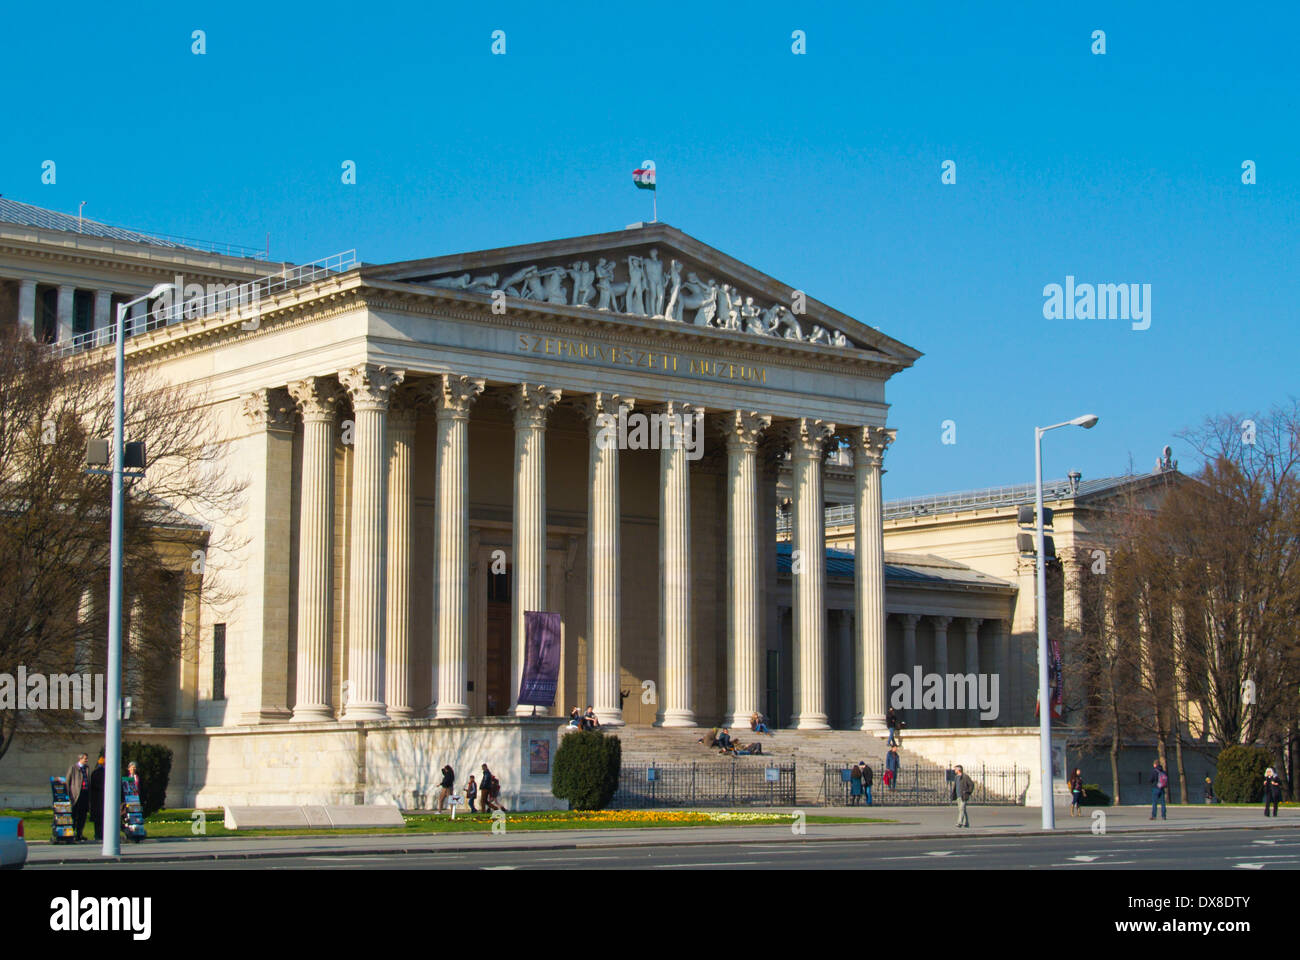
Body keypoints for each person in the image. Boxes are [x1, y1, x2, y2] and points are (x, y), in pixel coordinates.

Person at [65, 753, 91, 842]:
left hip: (85, 794)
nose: (86, 760)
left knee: (82, 816)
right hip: (75, 795)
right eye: (85, 758)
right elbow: (67, 781)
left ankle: (79, 833)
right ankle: (72, 833)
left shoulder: (86, 768)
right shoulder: (73, 768)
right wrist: (68, 795)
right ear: (80, 759)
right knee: (74, 815)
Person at [89, 751, 106, 841]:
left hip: (101, 799)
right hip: (98, 799)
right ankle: (98, 834)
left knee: (101, 818)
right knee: (99, 818)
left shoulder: (98, 772)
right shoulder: (97, 773)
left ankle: (101, 833)